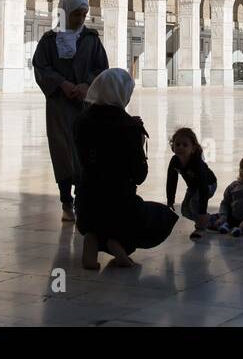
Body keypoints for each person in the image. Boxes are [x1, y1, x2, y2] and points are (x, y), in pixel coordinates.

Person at [74, 69, 178, 269]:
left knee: (98, 215)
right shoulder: (128, 127)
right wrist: (137, 138)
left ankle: (93, 238)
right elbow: (139, 175)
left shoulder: (81, 122)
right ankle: (118, 242)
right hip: (119, 205)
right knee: (162, 217)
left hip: (85, 205)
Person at [33, 0, 109, 223]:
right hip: (59, 106)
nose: (80, 19)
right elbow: (41, 67)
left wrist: (87, 85)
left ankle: (82, 200)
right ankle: (66, 200)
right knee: (63, 152)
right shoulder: (49, 40)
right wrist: (61, 83)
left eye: (83, 15)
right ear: (65, 13)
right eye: (76, 15)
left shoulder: (91, 39)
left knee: (85, 152)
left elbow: (102, 69)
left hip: (85, 106)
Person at [166, 127, 217, 239]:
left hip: (208, 185)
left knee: (195, 203)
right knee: (185, 210)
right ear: (173, 146)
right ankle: (211, 220)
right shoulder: (175, 161)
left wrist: (202, 211)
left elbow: (203, 188)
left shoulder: (197, 163)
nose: (180, 147)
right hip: (193, 188)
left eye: (185, 145)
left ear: (193, 148)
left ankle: (200, 228)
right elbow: (171, 180)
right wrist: (170, 200)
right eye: (177, 144)